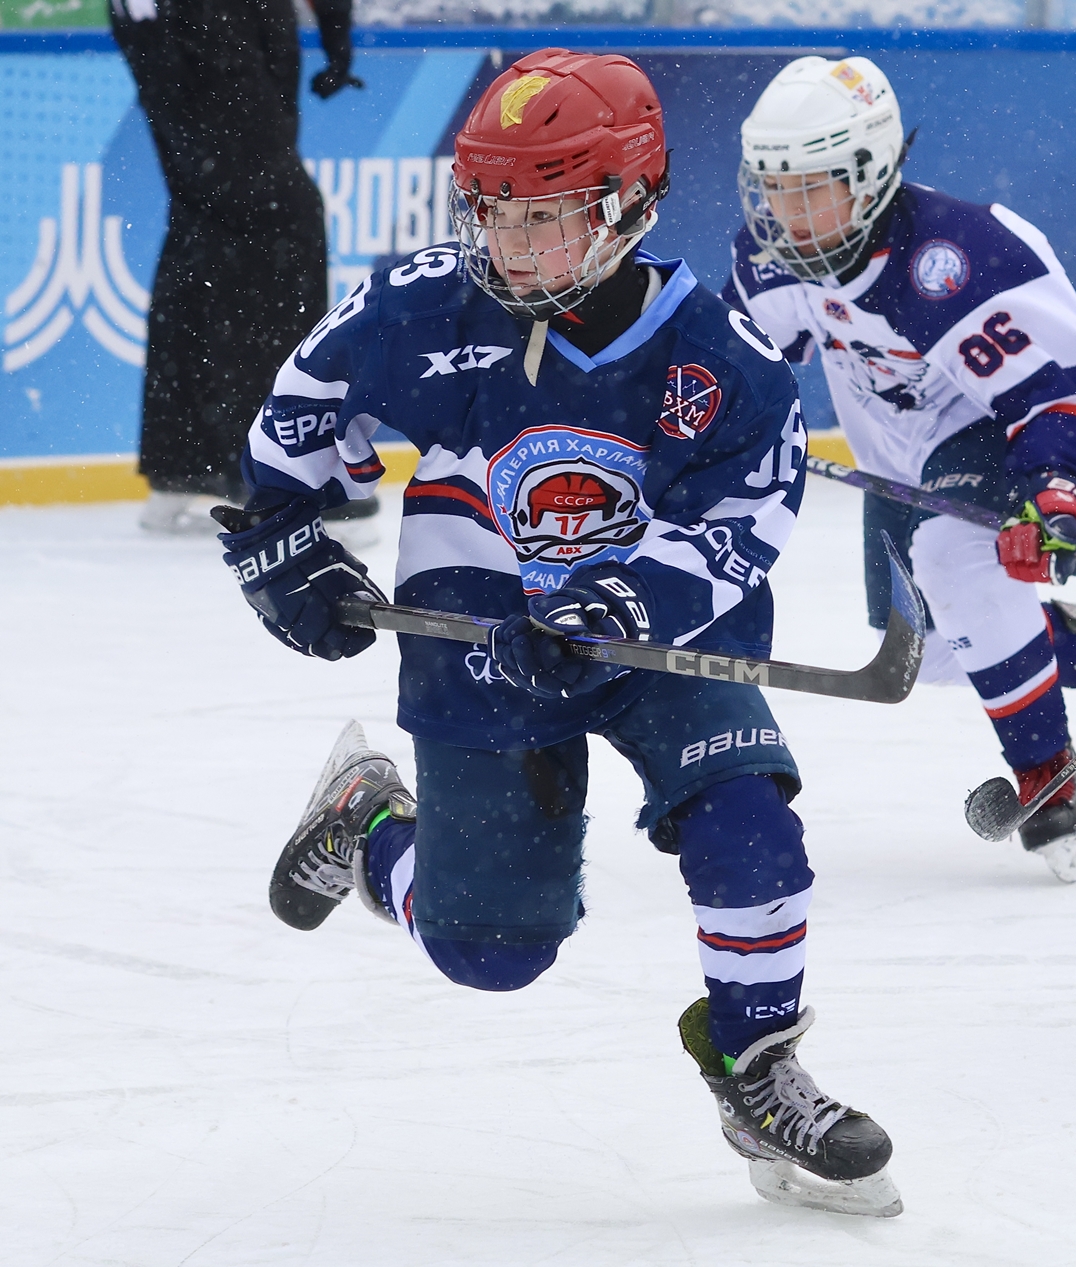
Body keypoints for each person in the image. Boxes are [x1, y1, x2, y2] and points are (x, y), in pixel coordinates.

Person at [212, 50, 901, 1216]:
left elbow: (741, 527)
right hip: (478, 620)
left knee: (748, 829)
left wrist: (622, 603)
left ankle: (757, 1064)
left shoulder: (721, 359)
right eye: (492, 212)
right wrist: (282, 543)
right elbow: (296, 420)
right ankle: (369, 827)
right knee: (491, 951)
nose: (510, 245)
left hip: (657, 636)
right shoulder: (418, 308)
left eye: (546, 216)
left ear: (630, 205)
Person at [723, 55, 1076, 883]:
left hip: (993, 438)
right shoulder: (772, 258)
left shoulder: (962, 258)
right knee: (925, 650)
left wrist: (1058, 488)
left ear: (870, 174)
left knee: (954, 561)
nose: (786, 214)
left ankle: (1047, 773)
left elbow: (1062, 395)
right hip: (899, 462)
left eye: (810, 188)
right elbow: (737, 371)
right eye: (774, 190)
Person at [109, 0, 374, 535]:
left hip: (195, 18)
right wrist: (336, 36)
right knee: (275, 223)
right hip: (207, 17)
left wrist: (335, 36)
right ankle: (277, 473)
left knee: (207, 223)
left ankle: (188, 463)